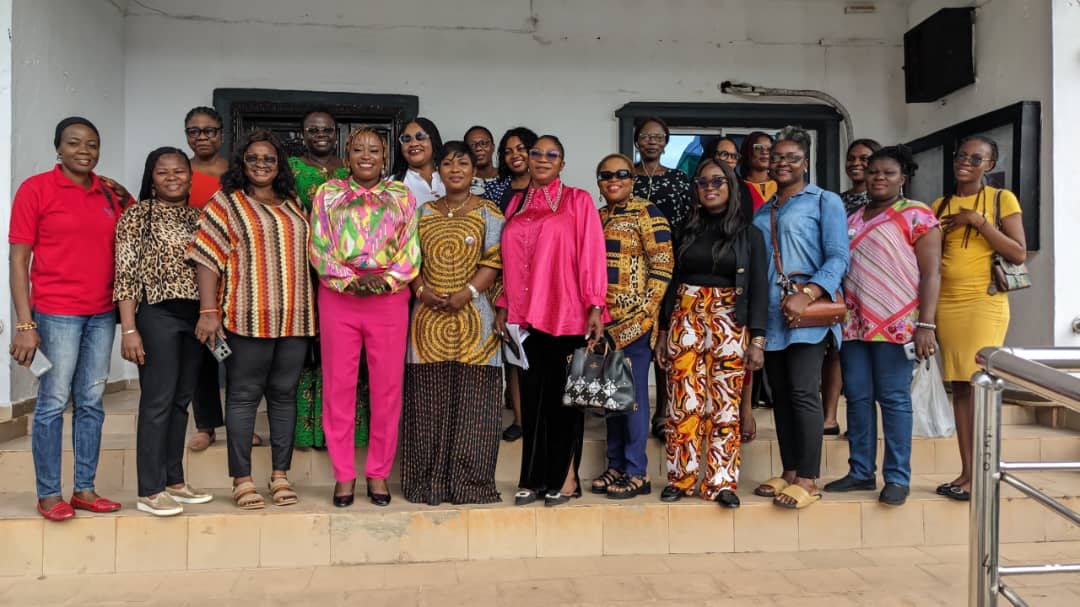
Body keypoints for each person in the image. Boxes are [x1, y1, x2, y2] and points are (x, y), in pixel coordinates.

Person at [9, 116, 131, 521]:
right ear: (58, 149)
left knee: (92, 402)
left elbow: (136, 227)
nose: (85, 151)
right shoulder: (36, 189)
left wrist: (124, 193)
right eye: (75, 143)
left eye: (92, 144)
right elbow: (18, 259)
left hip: (101, 313)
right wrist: (25, 324)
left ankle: (84, 488)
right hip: (56, 312)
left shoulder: (107, 194)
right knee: (52, 403)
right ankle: (48, 493)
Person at [187, 130, 315, 510]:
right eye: (253, 158)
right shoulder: (226, 203)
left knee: (283, 396)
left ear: (280, 165)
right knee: (243, 397)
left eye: (269, 159)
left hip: (295, 317)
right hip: (247, 315)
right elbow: (206, 258)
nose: (261, 165)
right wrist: (209, 311)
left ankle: (280, 476)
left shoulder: (293, 202)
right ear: (242, 163)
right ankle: (241, 479)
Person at [824, 145, 941, 507]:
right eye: (874, 171)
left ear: (902, 178)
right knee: (857, 397)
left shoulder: (917, 215)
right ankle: (860, 471)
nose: (878, 177)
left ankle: (897, 477)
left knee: (892, 399)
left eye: (888, 173)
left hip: (897, 322)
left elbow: (933, 272)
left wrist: (927, 323)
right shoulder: (853, 216)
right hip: (855, 322)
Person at [495, 135, 608, 507]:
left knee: (564, 402)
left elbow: (591, 251)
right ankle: (533, 477)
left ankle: (567, 478)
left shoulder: (577, 201)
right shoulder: (515, 204)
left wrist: (595, 304)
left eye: (551, 154)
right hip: (525, 318)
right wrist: (503, 305)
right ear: (526, 160)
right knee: (532, 401)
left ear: (562, 163)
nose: (542, 159)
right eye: (536, 153)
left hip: (566, 313)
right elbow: (507, 261)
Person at [309, 127, 420, 507]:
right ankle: (343, 475)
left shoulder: (401, 194)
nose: (366, 155)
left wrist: (386, 280)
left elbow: (410, 248)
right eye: (358, 149)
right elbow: (318, 244)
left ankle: (378, 474)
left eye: (374, 149)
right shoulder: (328, 193)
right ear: (347, 155)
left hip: (387, 299)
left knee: (386, 389)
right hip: (339, 298)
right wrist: (346, 282)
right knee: (339, 387)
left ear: (386, 156)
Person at [655, 158, 767, 508]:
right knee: (683, 403)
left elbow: (760, 289)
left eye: (717, 181)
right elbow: (671, 282)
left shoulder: (750, 234)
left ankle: (721, 482)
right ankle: (682, 478)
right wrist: (662, 331)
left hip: (730, 319)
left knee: (724, 406)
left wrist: (758, 339)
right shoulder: (684, 228)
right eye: (702, 182)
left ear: (731, 186)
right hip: (685, 316)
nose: (710, 187)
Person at [751, 126, 849, 510]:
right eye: (777, 157)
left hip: (808, 309)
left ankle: (809, 477)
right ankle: (790, 470)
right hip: (773, 310)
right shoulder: (764, 209)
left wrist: (808, 294)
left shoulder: (825, 201)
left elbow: (839, 256)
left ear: (805, 162)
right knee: (780, 395)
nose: (783, 163)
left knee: (804, 392)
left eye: (792, 157)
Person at [402, 141, 504, 505]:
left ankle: (469, 483)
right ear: (438, 172)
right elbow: (408, 260)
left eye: (463, 163)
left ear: (474, 172)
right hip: (427, 320)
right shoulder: (421, 213)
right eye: (448, 163)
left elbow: (494, 261)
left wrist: (468, 292)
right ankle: (426, 482)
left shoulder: (490, 213)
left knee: (474, 404)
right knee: (429, 402)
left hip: (475, 318)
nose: (456, 169)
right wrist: (420, 290)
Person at [115, 147, 214, 516]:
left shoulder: (199, 217)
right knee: (157, 401)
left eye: (179, 171)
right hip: (157, 314)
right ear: (151, 178)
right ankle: (150, 489)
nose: (172, 177)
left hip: (196, 318)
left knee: (180, 400)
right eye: (163, 172)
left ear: (191, 177)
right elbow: (125, 275)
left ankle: (175, 481)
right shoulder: (137, 216)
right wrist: (129, 330)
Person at [932, 135, 1026, 501]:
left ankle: (984, 473)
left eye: (976, 158)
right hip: (947, 303)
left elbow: (1018, 252)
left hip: (983, 303)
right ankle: (967, 472)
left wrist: (979, 222)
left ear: (990, 165)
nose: (966, 162)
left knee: (979, 382)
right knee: (959, 386)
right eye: (961, 156)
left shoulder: (1002, 199)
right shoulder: (939, 204)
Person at [591, 153, 673, 500]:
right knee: (612, 399)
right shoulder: (597, 217)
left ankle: (637, 471)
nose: (614, 179)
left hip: (635, 323)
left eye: (622, 174)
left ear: (632, 179)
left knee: (634, 399)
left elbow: (663, 266)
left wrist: (646, 313)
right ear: (598, 181)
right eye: (606, 174)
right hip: (604, 325)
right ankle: (616, 465)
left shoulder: (647, 212)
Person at [288, 110, 370, 452]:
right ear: (302, 134)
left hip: (351, 277)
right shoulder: (291, 168)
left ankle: (348, 430)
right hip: (303, 270)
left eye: (327, 129)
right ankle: (309, 430)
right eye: (312, 129)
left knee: (348, 355)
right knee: (308, 350)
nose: (320, 134)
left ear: (337, 134)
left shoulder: (350, 170)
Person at [183, 106, 245, 453]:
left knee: (238, 355)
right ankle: (206, 424)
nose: (202, 137)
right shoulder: (179, 170)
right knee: (202, 352)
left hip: (235, 277)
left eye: (209, 131)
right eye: (194, 131)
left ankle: (241, 422)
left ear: (221, 134)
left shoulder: (235, 174)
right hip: (193, 277)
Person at [631, 117, 692, 441]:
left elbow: (687, 222)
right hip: (631, 271)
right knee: (637, 337)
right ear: (637, 141)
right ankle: (630, 405)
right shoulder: (626, 176)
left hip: (669, 266)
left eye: (658, 136)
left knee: (664, 334)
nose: (652, 141)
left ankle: (664, 408)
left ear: (666, 142)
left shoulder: (680, 179)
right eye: (646, 136)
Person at [822, 138, 883, 435]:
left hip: (874, 287)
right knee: (835, 350)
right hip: (840, 283)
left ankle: (864, 423)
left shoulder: (886, 203)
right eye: (852, 158)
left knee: (870, 354)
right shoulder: (835, 200)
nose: (856, 164)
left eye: (864, 158)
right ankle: (829, 417)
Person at [484, 127, 539, 441]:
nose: (515, 155)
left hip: (542, 282)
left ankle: (540, 416)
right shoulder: (497, 190)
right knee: (513, 354)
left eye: (522, 148)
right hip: (504, 281)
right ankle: (521, 420)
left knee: (540, 354)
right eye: (508, 151)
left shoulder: (546, 189)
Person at [395, 117, 445, 204]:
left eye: (420, 136)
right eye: (406, 139)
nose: (413, 143)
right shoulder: (391, 185)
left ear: (433, 140)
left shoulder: (452, 178)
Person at [739, 131, 777, 213]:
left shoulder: (782, 186)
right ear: (747, 151)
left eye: (769, 149)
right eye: (758, 147)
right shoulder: (737, 187)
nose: (764, 152)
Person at [464, 126, 499, 195]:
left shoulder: (507, 177)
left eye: (483, 143)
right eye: (472, 145)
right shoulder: (463, 182)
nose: (478, 148)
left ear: (493, 147)